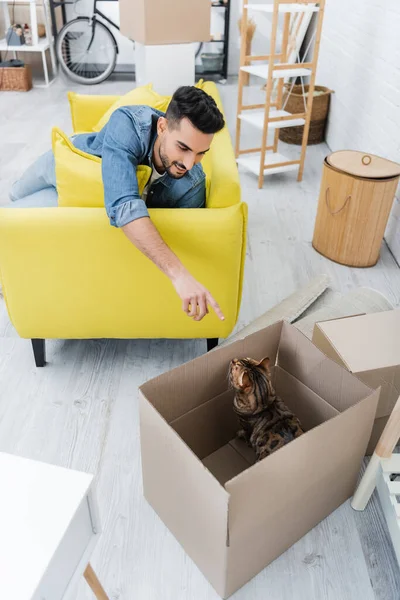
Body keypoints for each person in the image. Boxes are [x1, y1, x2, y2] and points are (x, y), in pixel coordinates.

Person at [8, 86, 226, 322]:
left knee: (11, 222)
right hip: (61, 161)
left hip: (75, 197)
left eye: (201, 153)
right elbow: (124, 204)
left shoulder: (192, 183)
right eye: (183, 148)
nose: (189, 163)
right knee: (14, 194)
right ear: (162, 127)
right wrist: (178, 275)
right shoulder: (128, 123)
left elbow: (186, 236)